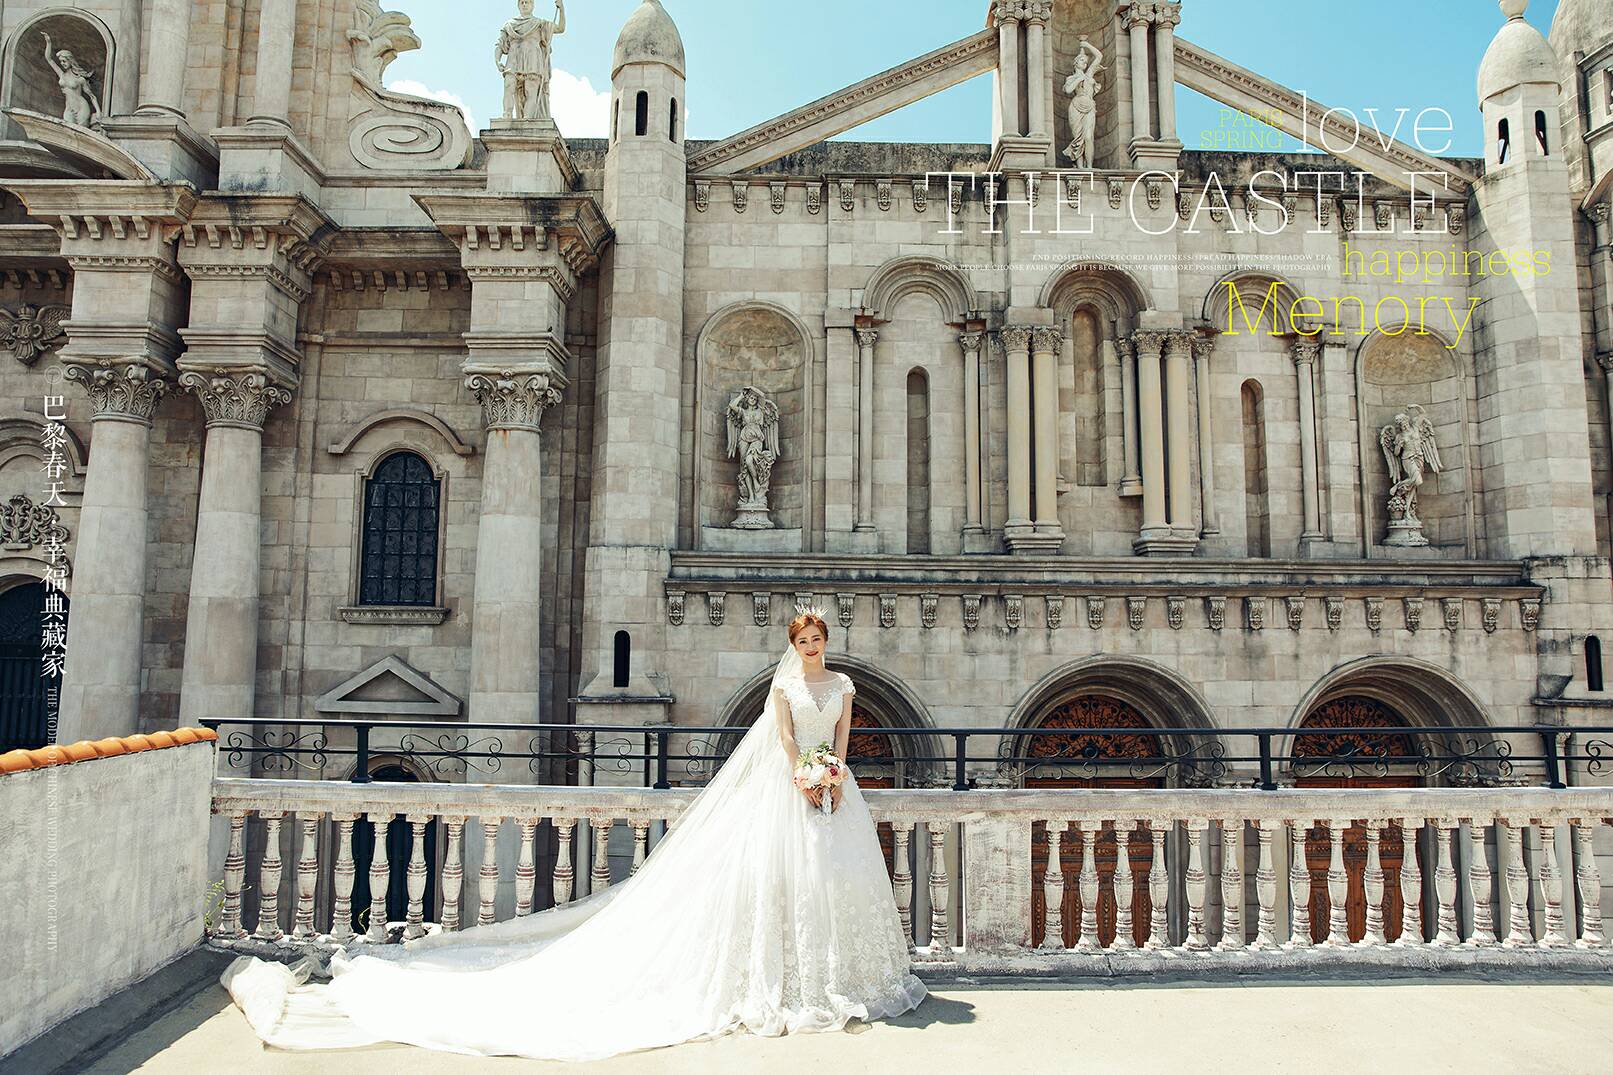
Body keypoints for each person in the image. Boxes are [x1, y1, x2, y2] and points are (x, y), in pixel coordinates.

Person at [222, 607, 927, 1061]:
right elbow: (779, 740)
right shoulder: (784, 689)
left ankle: (830, 978)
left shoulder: (840, 686)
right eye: (801, 640)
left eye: (815, 640)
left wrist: (831, 774)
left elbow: (843, 736)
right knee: (781, 875)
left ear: (826, 644)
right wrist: (802, 774)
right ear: (792, 645)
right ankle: (786, 979)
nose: (809, 648)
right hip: (789, 787)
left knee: (829, 879)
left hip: (837, 790)